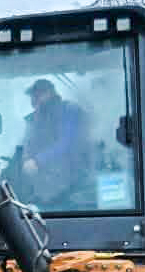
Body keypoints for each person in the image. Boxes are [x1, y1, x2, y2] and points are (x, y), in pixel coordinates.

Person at [16, 78, 93, 208]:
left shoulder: (69, 110)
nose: (33, 101)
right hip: (43, 189)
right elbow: (26, 146)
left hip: (72, 187)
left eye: (37, 95)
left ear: (49, 93)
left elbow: (66, 143)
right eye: (32, 97)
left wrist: (37, 161)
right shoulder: (34, 119)